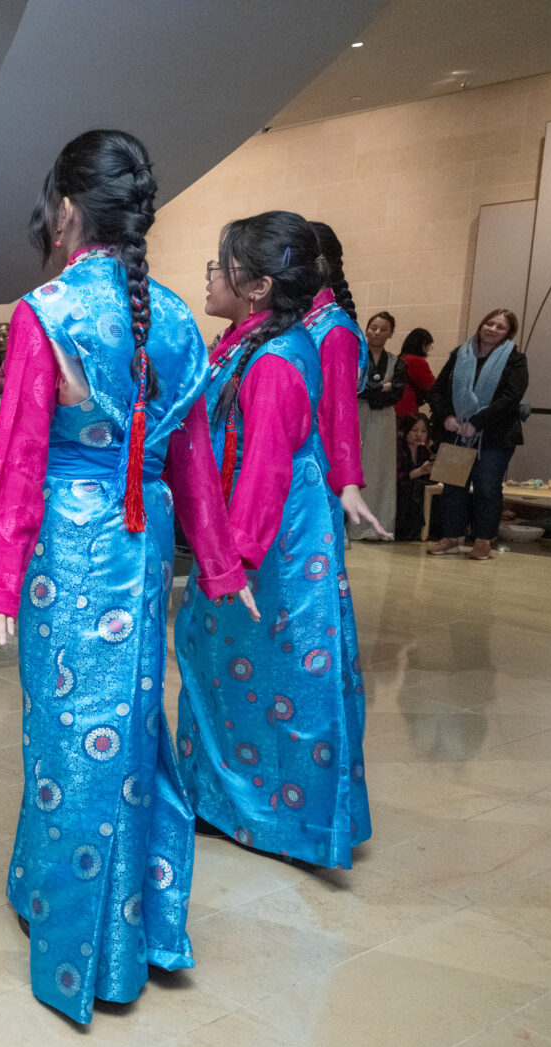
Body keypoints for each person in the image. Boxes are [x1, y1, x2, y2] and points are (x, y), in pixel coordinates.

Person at [0, 130, 252, 1026]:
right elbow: (192, 461)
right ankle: (142, 917)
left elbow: (14, 459)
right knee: (128, 727)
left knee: (67, 734)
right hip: (141, 541)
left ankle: (85, 947)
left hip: (67, 542)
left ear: (70, 212)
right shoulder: (174, 317)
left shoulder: (47, 310)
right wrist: (217, 561)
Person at [174, 209, 370, 871]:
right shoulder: (243, 341)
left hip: (274, 547)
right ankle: (223, 799)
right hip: (255, 534)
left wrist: (233, 564)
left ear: (256, 287)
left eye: (222, 263)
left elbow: (264, 470)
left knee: (279, 683)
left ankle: (285, 821)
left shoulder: (278, 359)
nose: (210, 273)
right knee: (223, 670)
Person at [304, 223, 391, 541]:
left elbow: (340, 413)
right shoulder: (303, 322)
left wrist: (347, 481)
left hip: (311, 470)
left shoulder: (335, 331)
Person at [426, 308, 528, 561]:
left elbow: (510, 398)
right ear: (481, 325)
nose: (492, 329)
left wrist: (477, 422)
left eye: (500, 327)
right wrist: (447, 416)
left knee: (486, 488)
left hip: (494, 435)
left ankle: (483, 541)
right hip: (457, 432)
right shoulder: (459, 354)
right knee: (452, 487)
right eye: (489, 323)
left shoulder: (515, 360)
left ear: (508, 334)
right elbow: (436, 390)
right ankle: (450, 538)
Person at [353, 310, 403, 540]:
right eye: (373, 327)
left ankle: (379, 526)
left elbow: (397, 392)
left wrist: (375, 391)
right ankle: (354, 526)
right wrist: (383, 386)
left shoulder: (396, 362)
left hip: (383, 418)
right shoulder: (355, 356)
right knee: (357, 468)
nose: (377, 332)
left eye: (383, 329)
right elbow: (356, 388)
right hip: (357, 415)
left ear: (391, 333)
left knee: (380, 470)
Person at [396, 413, 435, 542]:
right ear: (405, 430)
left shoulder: (424, 451)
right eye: (414, 430)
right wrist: (420, 471)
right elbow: (398, 478)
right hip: (400, 492)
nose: (419, 435)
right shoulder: (398, 448)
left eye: (423, 431)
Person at [394, 327, 437, 429]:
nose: (428, 350)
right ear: (422, 344)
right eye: (428, 346)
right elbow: (431, 386)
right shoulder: (416, 361)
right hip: (406, 410)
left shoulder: (400, 358)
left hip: (393, 409)